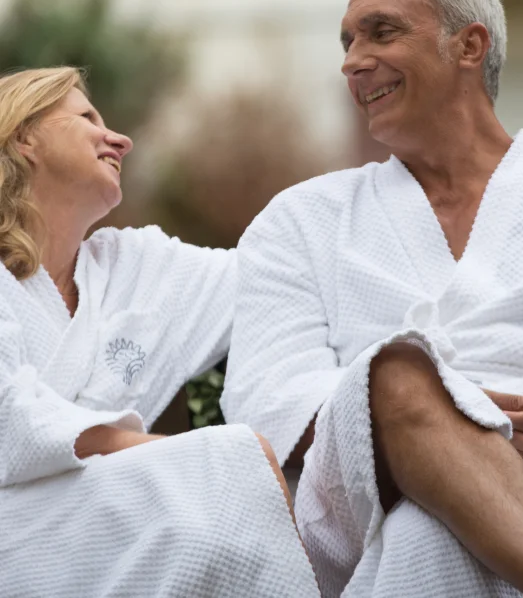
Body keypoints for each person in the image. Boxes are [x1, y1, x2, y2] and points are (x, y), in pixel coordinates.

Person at [223, 0, 523, 598]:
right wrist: (442, 416)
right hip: (365, 501)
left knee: (424, 536)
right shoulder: (300, 220)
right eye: (347, 42)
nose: (352, 61)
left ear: (469, 45)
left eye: (381, 32)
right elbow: (268, 399)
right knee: (393, 377)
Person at [0, 67, 319, 598]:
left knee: (232, 472)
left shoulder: (133, 268)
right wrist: (162, 456)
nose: (120, 139)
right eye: (87, 118)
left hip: (111, 527)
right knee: (232, 464)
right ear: (24, 139)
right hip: (16, 537)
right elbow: (8, 417)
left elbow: (270, 280)